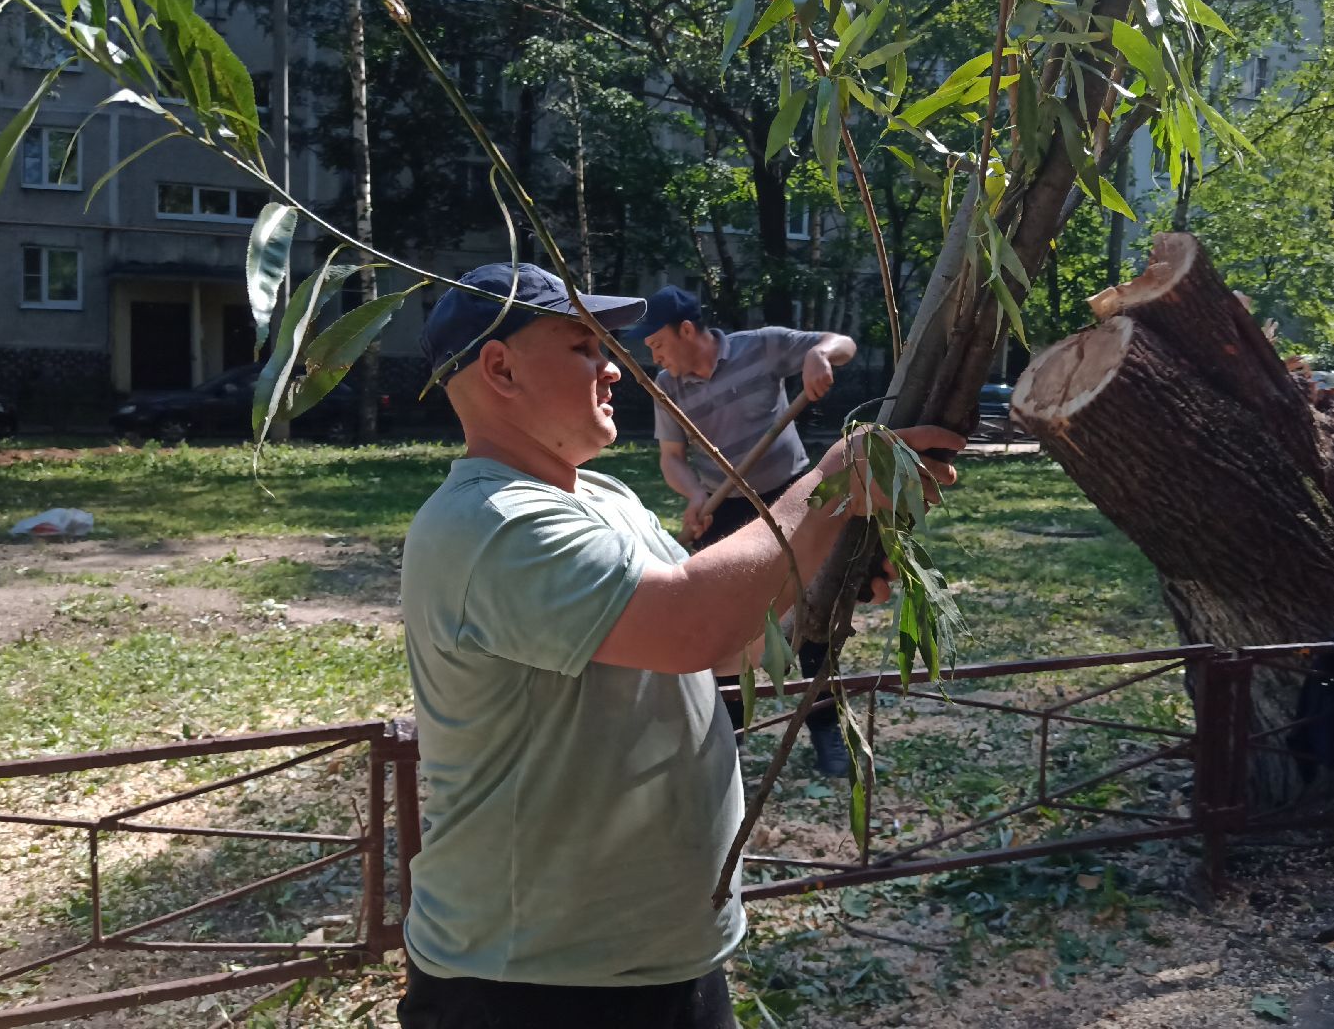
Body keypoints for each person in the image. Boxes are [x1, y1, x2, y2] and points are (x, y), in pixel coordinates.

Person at [397, 262, 961, 1029]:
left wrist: (819, 588)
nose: (612, 372)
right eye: (583, 348)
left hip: (663, 956)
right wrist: (836, 480)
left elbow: (722, 650)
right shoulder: (489, 521)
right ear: (498, 367)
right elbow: (692, 624)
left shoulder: (604, 498)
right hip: (534, 982)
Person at [626, 286, 859, 774]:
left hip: (793, 499)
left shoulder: (762, 345)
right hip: (726, 511)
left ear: (686, 330)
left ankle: (826, 733)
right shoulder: (666, 388)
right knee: (729, 628)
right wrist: (693, 495)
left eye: (657, 344)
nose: (656, 356)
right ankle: (725, 741)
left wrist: (818, 354)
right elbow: (672, 459)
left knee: (810, 618)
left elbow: (842, 342)